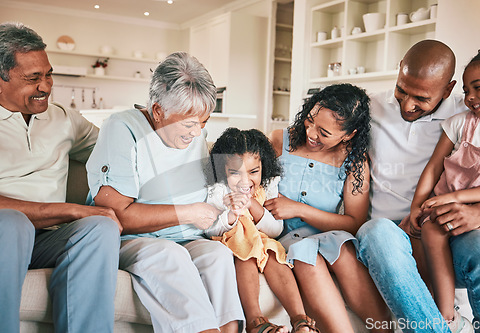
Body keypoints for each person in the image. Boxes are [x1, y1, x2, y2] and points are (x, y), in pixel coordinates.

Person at [86, 51, 244, 333]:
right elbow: (114, 213)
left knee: (217, 256)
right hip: (135, 239)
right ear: (158, 111)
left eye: (203, 123)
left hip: (187, 237)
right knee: (170, 256)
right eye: (188, 124)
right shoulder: (122, 127)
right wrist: (189, 213)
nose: (197, 134)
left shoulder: (195, 134)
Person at [356, 39, 480, 333]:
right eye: (401, 90)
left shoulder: (471, 110)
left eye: (421, 98)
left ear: (447, 90)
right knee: (376, 231)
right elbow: (309, 130)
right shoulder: (367, 107)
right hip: (394, 239)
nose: (407, 104)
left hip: (455, 240)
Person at [0, 22, 121, 332]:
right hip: (5, 232)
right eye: (33, 78)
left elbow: (115, 152)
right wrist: (72, 209)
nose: (46, 86)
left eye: (48, 74)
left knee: (101, 227)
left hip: (50, 238)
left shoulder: (64, 118)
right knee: (12, 223)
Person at [265, 83, 392, 333]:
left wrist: (298, 209)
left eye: (324, 132)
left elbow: (354, 222)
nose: (311, 133)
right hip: (286, 240)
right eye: (310, 121)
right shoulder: (280, 140)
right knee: (305, 255)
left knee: (342, 248)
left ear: (348, 134)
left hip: (329, 236)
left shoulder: (354, 162)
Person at [205, 127, 320, 333]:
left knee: (275, 255)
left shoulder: (266, 188)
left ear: (263, 167)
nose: (244, 181)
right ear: (223, 170)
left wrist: (252, 205)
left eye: (253, 172)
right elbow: (209, 228)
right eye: (234, 173)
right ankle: (255, 320)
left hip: (262, 241)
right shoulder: (219, 190)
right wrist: (231, 214)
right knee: (245, 253)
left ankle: (300, 319)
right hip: (232, 241)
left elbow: (275, 230)